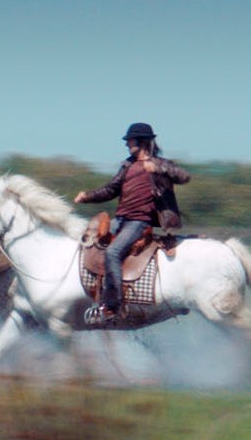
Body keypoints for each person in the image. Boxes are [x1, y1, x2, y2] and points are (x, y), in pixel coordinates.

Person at [74, 122, 190, 319]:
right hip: (121, 219)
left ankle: (113, 306)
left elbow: (184, 176)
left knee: (113, 252)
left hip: (139, 222)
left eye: (130, 141)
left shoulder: (160, 163)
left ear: (142, 141)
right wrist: (88, 196)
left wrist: (158, 167)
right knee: (87, 241)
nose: (127, 144)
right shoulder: (128, 165)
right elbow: (110, 190)